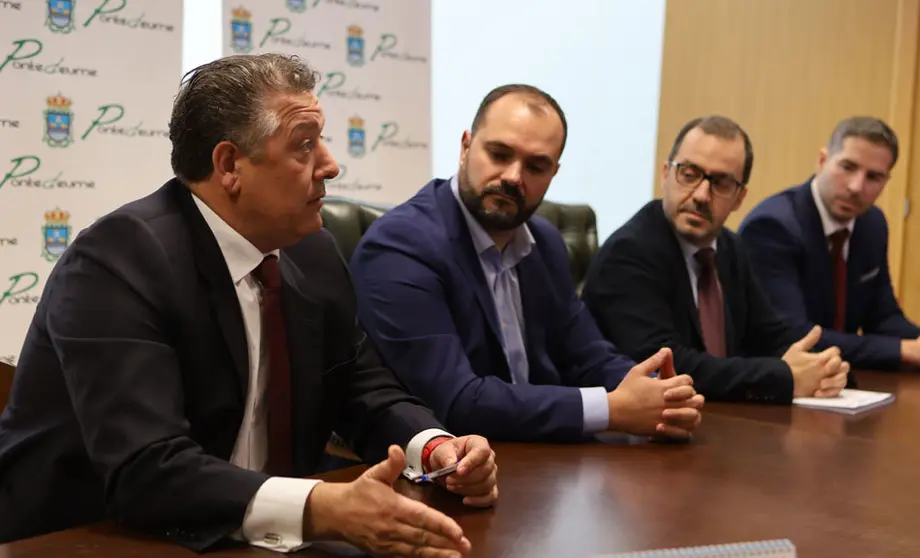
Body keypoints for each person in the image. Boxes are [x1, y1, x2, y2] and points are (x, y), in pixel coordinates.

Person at [0, 53, 497, 557]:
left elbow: (363, 390)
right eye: (304, 146)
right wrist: (321, 507)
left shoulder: (313, 252)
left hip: (254, 537)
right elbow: (146, 469)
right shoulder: (117, 262)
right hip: (92, 539)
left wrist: (436, 449)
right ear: (229, 165)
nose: (330, 164)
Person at [348, 84, 704, 443]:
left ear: (553, 173)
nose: (514, 177)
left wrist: (658, 394)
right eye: (499, 154)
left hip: (540, 457)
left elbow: (589, 356)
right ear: (466, 147)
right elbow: (456, 402)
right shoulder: (401, 246)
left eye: (536, 166)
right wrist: (612, 408)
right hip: (446, 470)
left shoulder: (544, 243)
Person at [582, 116, 849, 404]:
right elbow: (666, 365)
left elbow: (769, 335)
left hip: (718, 420)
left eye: (721, 183)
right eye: (689, 173)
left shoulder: (730, 247)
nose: (701, 194)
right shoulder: (629, 253)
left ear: (739, 198)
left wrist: (823, 367)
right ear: (665, 174)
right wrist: (784, 376)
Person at [739, 116, 920, 372]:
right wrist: (911, 351)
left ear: (885, 182)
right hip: (771, 388)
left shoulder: (872, 224)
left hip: (839, 382)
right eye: (847, 167)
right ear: (822, 161)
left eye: (874, 177)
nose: (857, 187)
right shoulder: (772, 227)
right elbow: (795, 337)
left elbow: (882, 317)